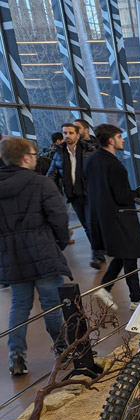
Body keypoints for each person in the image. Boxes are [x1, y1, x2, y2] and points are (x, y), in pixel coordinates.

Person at [0, 136, 71, 375]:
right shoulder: (40, 183)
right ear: (25, 157)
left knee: (19, 305)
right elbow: (59, 219)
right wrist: (58, 244)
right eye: (33, 153)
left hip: (12, 256)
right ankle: (63, 348)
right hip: (43, 250)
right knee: (52, 304)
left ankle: (16, 355)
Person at [84, 124, 140, 312]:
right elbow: (123, 197)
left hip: (103, 217)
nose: (122, 140)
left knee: (123, 256)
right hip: (121, 218)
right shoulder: (115, 166)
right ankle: (136, 299)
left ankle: (105, 288)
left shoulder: (91, 161)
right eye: (120, 136)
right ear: (111, 140)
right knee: (130, 257)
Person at [47, 122, 104, 267]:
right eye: (65, 133)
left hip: (89, 193)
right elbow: (52, 174)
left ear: (77, 135)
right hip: (73, 195)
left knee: (91, 225)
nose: (67, 136)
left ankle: (97, 256)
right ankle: (100, 252)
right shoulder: (59, 153)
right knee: (86, 226)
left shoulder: (88, 150)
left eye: (71, 133)